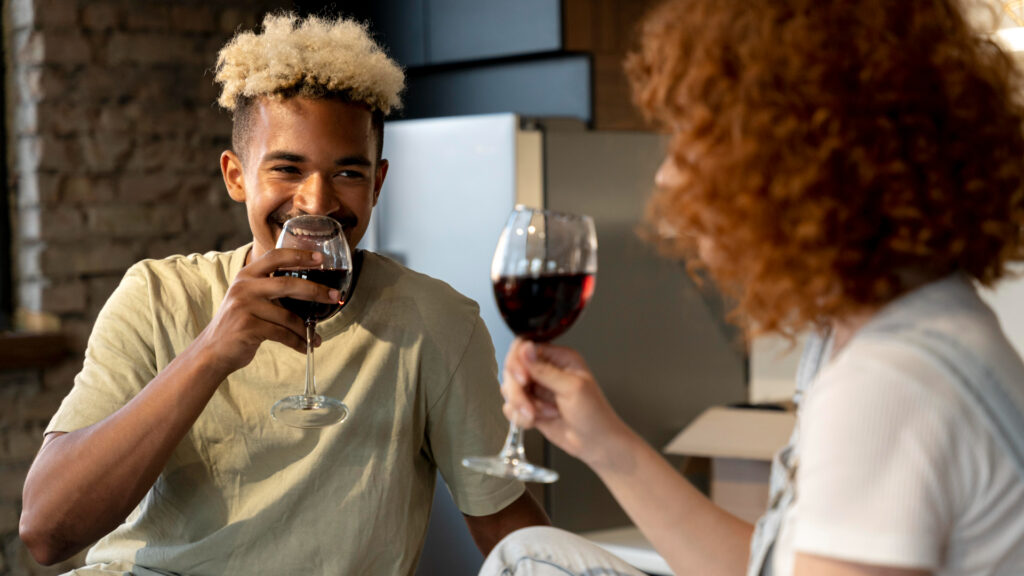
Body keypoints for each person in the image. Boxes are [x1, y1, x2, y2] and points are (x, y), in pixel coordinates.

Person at [480, 0, 1024, 575]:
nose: (665, 174)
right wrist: (605, 444)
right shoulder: (912, 327)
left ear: (796, 158)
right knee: (525, 555)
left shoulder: (888, 386)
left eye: (693, 137)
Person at [19, 13, 548, 575]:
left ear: (378, 182)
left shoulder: (436, 322)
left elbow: (505, 527)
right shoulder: (157, 295)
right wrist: (212, 351)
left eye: (347, 172)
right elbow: (47, 531)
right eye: (287, 168)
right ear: (236, 176)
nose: (316, 202)